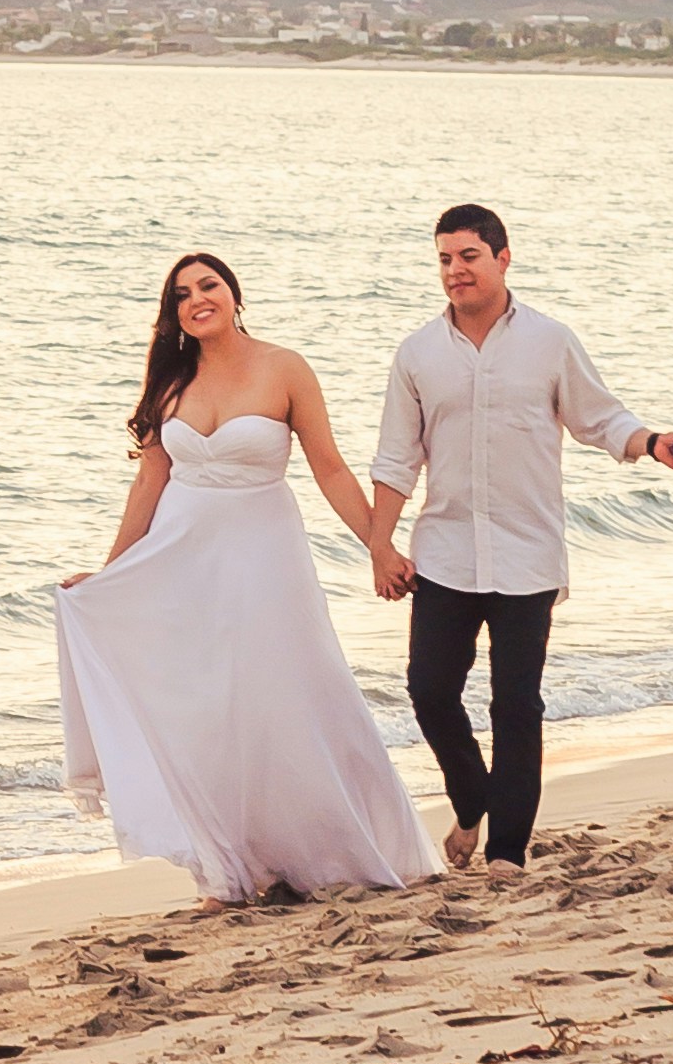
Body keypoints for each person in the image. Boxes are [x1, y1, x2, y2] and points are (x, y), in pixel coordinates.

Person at [55, 244, 439, 900]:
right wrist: (110, 574)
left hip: (267, 556)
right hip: (182, 564)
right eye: (181, 294)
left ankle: (343, 849)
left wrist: (380, 543)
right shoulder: (171, 382)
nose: (197, 299)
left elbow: (330, 468)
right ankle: (227, 867)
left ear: (234, 294)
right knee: (209, 709)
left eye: (208, 286)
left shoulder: (283, 368)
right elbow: (150, 482)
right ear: (173, 314)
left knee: (297, 692)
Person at [367, 200, 673, 873]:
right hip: (445, 553)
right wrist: (382, 546)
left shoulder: (550, 341)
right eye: (444, 258)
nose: (455, 271)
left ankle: (506, 854)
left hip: (528, 554)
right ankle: (471, 800)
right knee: (430, 690)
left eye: (468, 256)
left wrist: (654, 442)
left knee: (516, 704)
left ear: (502, 258)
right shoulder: (418, 354)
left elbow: (600, 419)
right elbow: (396, 459)